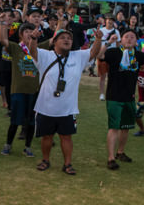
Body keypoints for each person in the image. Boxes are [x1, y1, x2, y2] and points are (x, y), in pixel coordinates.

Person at [33, 27, 104, 174]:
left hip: (67, 108)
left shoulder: (77, 56)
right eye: (62, 38)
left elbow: (93, 52)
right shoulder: (46, 55)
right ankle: (45, 160)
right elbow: (32, 51)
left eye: (69, 38)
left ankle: (67, 164)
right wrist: (33, 39)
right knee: (47, 137)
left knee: (66, 137)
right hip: (46, 107)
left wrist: (98, 39)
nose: (67, 40)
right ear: (54, 42)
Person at [101, 30, 144, 170]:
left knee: (126, 127)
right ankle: (111, 158)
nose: (129, 39)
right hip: (114, 96)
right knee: (114, 127)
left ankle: (120, 152)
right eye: (126, 37)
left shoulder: (138, 55)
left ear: (136, 41)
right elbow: (99, 56)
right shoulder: (114, 52)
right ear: (121, 40)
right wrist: (108, 42)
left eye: (132, 37)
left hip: (129, 96)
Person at [0, 19, 41, 158]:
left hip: (34, 91)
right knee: (15, 121)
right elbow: (3, 40)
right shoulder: (16, 48)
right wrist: (3, 23)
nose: (29, 33)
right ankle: (8, 144)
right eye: (26, 31)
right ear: (21, 35)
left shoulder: (39, 49)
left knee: (31, 122)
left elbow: (54, 40)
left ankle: (27, 147)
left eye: (31, 31)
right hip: (17, 91)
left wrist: (60, 22)